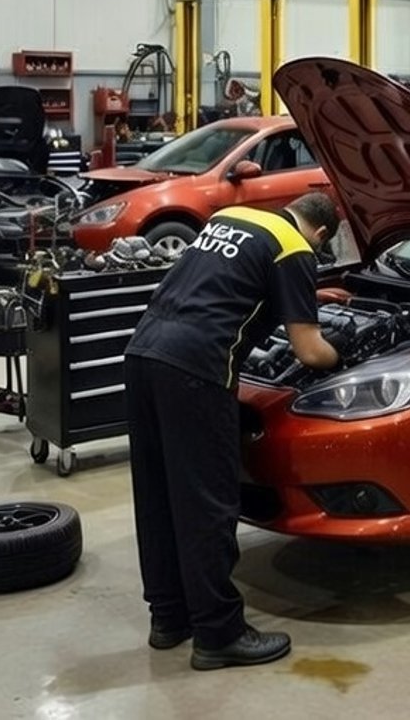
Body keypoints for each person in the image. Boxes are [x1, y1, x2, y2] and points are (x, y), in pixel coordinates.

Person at [122, 192, 343, 670]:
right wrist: (339, 356)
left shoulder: (233, 217)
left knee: (159, 495)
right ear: (322, 234)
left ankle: (169, 618)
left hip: (143, 353)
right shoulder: (296, 248)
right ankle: (219, 634)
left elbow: (228, 284)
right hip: (196, 368)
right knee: (208, 504)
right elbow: (308, 351)